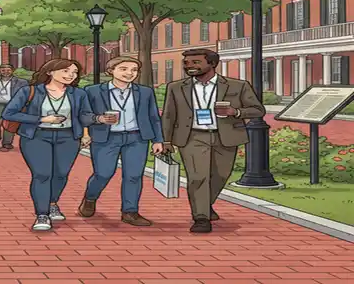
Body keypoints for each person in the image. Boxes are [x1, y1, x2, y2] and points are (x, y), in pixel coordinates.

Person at [162, 48, 265, 233]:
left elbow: (258, 110)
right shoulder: (176, 87)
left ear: (212, 64)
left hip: (225, 135)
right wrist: (166, 140)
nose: (189, 67)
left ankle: (205, 204)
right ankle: (201, 218)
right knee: (198, 177)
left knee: (220, 176)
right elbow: (169, 115)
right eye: (186, 63)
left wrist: (236, 112)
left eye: (195, 63)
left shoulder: (237, 86)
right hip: (192, 136)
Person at [2, 58, 93, 232]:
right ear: (50, 72)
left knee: (61, 174)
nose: (70, 75)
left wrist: (86, 133)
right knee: (42, 174)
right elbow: (9, 113)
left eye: (74, 72)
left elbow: (85, 115)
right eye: (66, 71)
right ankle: (42, 214)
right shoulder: (29, 91)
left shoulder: (78, 94)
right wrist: (41, 119)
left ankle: (52, 203)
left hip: (68, 137)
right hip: (37, 136)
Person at [78, 57, 164, 226]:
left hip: (136, 137)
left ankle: (130, 211)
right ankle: (90, 198)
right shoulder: (93, 91)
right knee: (103, 173)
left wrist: (158, 140)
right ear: (111, 71)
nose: (129, 73)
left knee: (133, 175)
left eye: (133, 70)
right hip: (106, 137)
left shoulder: (145, 92)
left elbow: (153, 117)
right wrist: (99, 118)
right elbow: (82, 115)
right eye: (124, 69)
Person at [0, 64, 28, 150]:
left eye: (8, 70)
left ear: (12, 70)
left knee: (10, 124)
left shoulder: (21, 82)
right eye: (3, 70)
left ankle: (7, 143)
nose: (6, 72)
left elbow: (25, 95)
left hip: (12, 105)